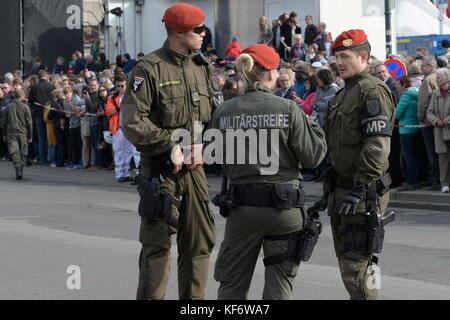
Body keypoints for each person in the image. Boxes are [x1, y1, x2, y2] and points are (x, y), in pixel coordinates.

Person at [209, 44, 327, 299]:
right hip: (284, 209)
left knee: (232, 284)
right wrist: (314, 128)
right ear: (272, 74)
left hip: (241, 209)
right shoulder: (288, 109)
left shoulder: (224, 111)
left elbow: (213, 156)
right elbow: (313, 157)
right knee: (280, 284)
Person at [120, 3, 216, 300]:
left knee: (200, 244)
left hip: (195, 172)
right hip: (162, 172)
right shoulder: (148, 69)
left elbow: (210, 117)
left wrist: (206, 145)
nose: (203, 34)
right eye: (197, 30)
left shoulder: (202, 67)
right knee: (157, 246)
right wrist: (169, 144)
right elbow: (132, 120)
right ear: (178, 32)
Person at [312, 29, 396, 300]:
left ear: (364, 56)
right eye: (336, 56)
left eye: (345, 56)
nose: (338, 62)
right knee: (354, 263)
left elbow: (377, 145)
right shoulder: (343, 93)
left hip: (362, 193)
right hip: (343, 191)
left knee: (356, 266)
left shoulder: (371, 91)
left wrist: (360, 187)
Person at [105, 75, 140, 182]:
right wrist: (117, 107)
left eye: (122, 86)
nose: (120, 88)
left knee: (134, 152)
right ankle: (121, 174)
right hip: (118, 129)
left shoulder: (132, 96)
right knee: (120, 152)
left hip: (131, 128)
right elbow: (108, 111)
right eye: (118, 86)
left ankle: (137, 175)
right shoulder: (112, 98)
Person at [395, 76, 422, 192]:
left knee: (409, 157)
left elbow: (397, 114)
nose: (396, 85)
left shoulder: (405, 95)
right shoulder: (415, 92)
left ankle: (411, 181)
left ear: (403, 84)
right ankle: (417, 180)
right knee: (416, 156)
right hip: (416, 129)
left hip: (406, 130)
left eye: (397, 83)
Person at [418, 56, 441, 190]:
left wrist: (421, 117)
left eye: (424, 66)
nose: (421, 68)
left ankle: (435, 181)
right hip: (438, 120)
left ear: (431, 66)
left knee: (432, 152)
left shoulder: (428, 79)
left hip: (429, 121)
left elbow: (423, 101)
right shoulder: (441, 76)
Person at [426, 68, 450, 193]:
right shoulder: (435, 93)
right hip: (439, 131)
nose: (437, 80)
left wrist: (447, 120)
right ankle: (444, 183)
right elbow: (429, 112)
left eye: (439, 77)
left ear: (447, 78)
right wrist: (436, 121)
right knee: (442, 158)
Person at [1, 89, 32, 179]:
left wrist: (4, 134)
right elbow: (29, 123)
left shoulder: (8, 107)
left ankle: (18, 170)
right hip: (23, 133)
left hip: (11, 133)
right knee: (22, 153)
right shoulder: (26, 107)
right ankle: (20, 171)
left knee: (15, 153)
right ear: (21, 96)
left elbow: (3, 122)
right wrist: (30, 135)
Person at [28, 70, 55, 165]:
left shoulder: (34, 87)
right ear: (46, 76)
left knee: (41, 138)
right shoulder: (51, 86)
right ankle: (50, 158)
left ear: (39, 77)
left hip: (38, 114)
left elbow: (30, 101)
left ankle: (42, 159)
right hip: (50, 114)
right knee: (50, 137)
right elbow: (54, 99)